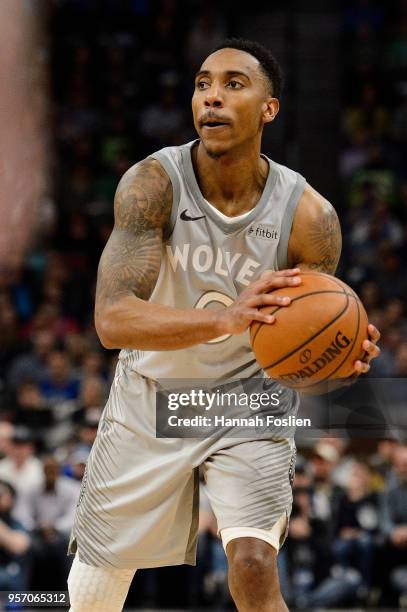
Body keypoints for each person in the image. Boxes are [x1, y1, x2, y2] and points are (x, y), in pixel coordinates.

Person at [67, 38, 380, 611]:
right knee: (92, 596)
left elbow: (301, 359)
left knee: (256, 565)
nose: (212, 97)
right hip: (152, 398)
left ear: (270, 108)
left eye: (234, 84)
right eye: (203, 83)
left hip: (246, 401)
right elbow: (112, 321)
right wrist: (226, 319)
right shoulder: (152, 184)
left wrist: (343, 360)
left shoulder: (310, 217)